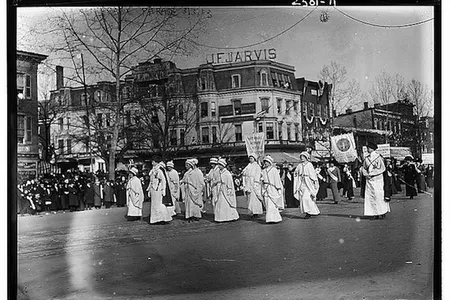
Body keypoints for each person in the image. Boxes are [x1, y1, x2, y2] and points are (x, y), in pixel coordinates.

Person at [362, 142, 390, 220]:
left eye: (369, 148)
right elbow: (364, 168)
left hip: (378, 179)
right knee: (370, 196)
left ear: (373, 149)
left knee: (379, 195)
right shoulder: (366, 158)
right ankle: (373, 213)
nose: (367, 149)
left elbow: (382, 168)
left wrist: (373, 173)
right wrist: (366, 174)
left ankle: (382, 212)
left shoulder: (379, 157)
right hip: (369, 180)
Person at [294, 152, 320, 219]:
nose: (302, 158)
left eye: (303, 157)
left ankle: (308, 212)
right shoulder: (299, 165)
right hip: (301, 183)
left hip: (308, 183)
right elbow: (296, 172)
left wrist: (314, 180)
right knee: (306, 198)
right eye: (301, 157)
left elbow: (312, 174)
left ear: (306, 157)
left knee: (306, 198)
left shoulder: (309, 165)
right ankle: (314, 211)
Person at [147, 157, 172, 225]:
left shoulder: (159, 170)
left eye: (153, 161)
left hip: (158, 189)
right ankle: (156, 219)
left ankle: (163, 218)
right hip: (153, 190)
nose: (152, 163)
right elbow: (151, 181)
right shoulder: (153, 170)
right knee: (154, 205)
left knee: (159, 204)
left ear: (156, 162)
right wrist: (149, 189)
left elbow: (163, 180)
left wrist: (163, 190)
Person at [261, 155, 283, 224]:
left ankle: (275, 218)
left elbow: (277, 179)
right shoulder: (263, 171)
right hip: (266, 188)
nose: (266, 163)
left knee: (273, 204)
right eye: (265, 162)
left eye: (267, 162)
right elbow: (262, 178)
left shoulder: (274, 170)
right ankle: (269, 219)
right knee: (267, 203)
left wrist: (278, 188)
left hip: (272, 188)